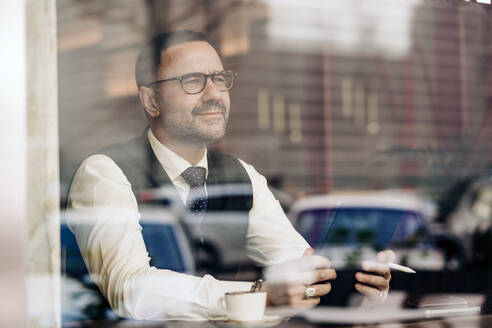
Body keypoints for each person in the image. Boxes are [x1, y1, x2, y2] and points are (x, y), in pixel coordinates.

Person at [67, 30, 392, 320]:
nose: (213, 94)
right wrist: (256, 297)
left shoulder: (242, 177)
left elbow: (300, 270)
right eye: (192, 81)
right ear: (152, 100)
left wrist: (356, 281)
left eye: (219, 79)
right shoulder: (106, 173)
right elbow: (130, 290)